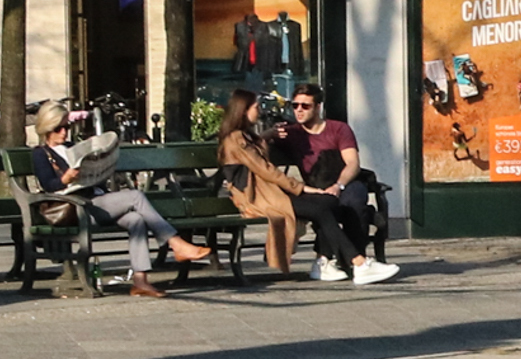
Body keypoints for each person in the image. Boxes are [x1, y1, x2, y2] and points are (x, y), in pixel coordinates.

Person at [31, 101, 212, 298]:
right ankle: (176, 243)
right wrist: (66, 178)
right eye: (59, 128)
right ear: (47, 128)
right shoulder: (41, 154)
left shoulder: (73, 148)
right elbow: (48, 185)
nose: (64, 132)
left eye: (67, 126)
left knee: (137, 219)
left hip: (98, 201)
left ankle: (140, 282)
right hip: (78, 208)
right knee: (136, 196)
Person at [272, 83, 396, 284]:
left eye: (305, 106)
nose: (299, 111)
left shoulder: (338, 129)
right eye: (295, 106)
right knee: (323, 204)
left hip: (345, 181)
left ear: (318, 107)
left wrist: (339, 185)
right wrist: (270, 134)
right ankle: (351, 263)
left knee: (354, 203)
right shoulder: (291, 133)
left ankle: (350, 263)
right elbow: (249, 148)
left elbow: (353, 164)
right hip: (315, 186)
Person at [217, 88, 302, 274]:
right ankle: (280, 256)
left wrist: (268, 135)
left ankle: (280, 254)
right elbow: (262, 167)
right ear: (243, 110)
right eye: (256, 107)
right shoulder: (236, 137)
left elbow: (251, 151)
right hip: (251, 195)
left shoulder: (243, 135)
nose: (260, 111)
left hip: (261, 191)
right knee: (300, 208)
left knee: (309, 207)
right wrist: (298, 187)